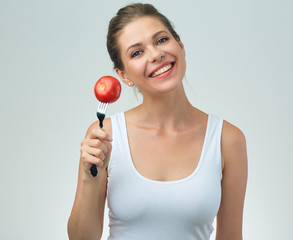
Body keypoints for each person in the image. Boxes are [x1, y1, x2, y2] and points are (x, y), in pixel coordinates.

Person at [67, 3, 248, 240]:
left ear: (181, 47)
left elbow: (232, 237)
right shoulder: (105, 135)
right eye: (137, 53)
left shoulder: (228, 139)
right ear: (123, 75)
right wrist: (88, 178)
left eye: (161, 40)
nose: (155, 54)